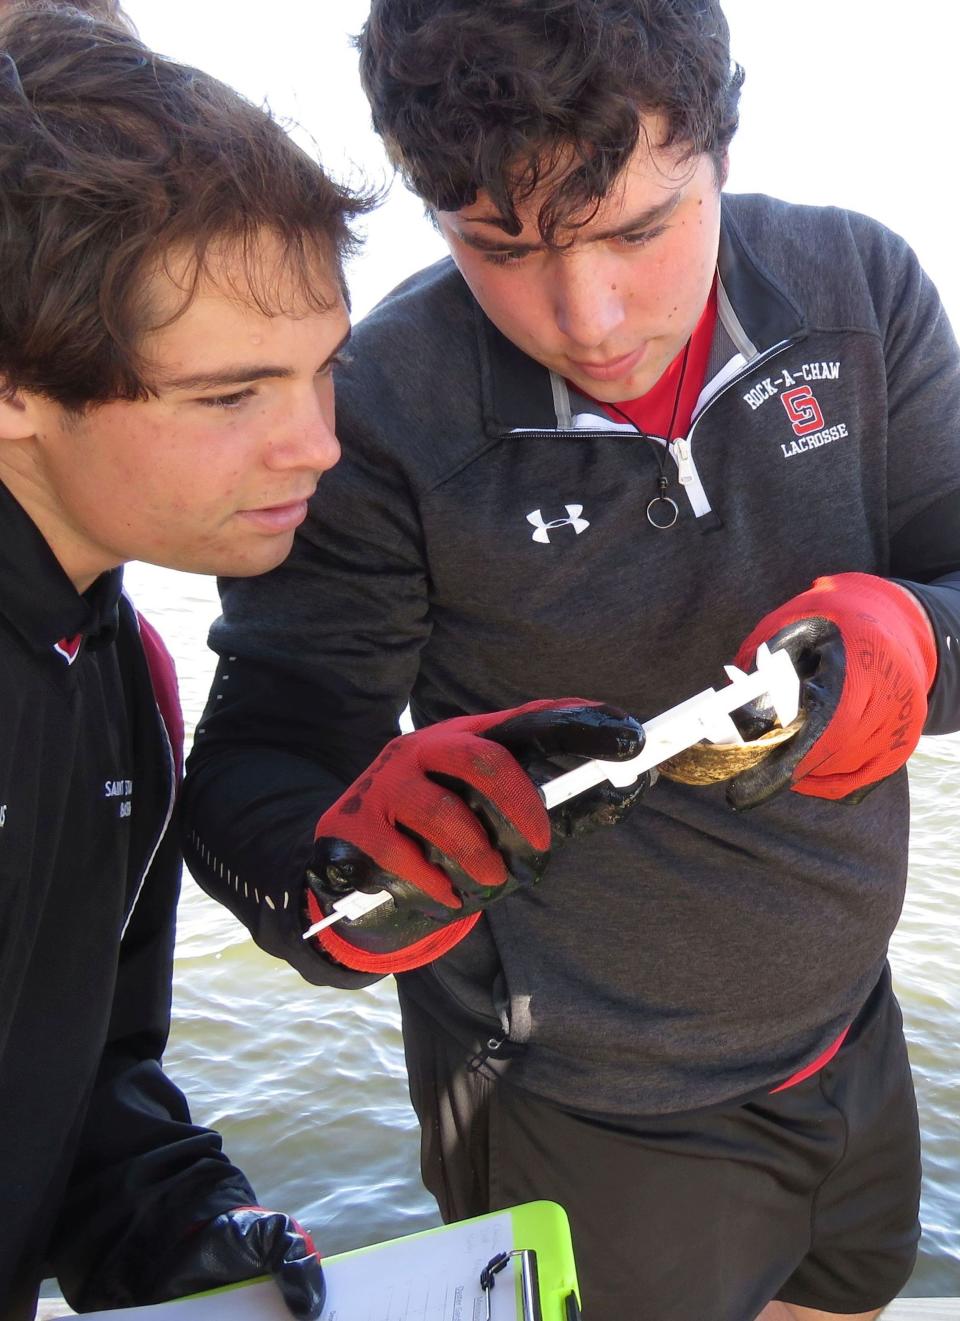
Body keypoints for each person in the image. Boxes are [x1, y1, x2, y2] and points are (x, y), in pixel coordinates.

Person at [181, 1, 960, 1318]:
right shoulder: (378, 411)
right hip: (582, 1109)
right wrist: (347, 868)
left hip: (853, 1035)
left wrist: (913, 644)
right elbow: (251, 777)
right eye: (500, 245)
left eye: (640, 231)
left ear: (721, 142)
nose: (588, 315)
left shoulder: (858, 291)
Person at [0, 7, 373, 1317]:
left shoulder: (126, 677)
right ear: (14, 389)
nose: (316, 445)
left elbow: (86, 1077)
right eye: (232, 395)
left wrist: (188, 1226)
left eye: (325, 371)